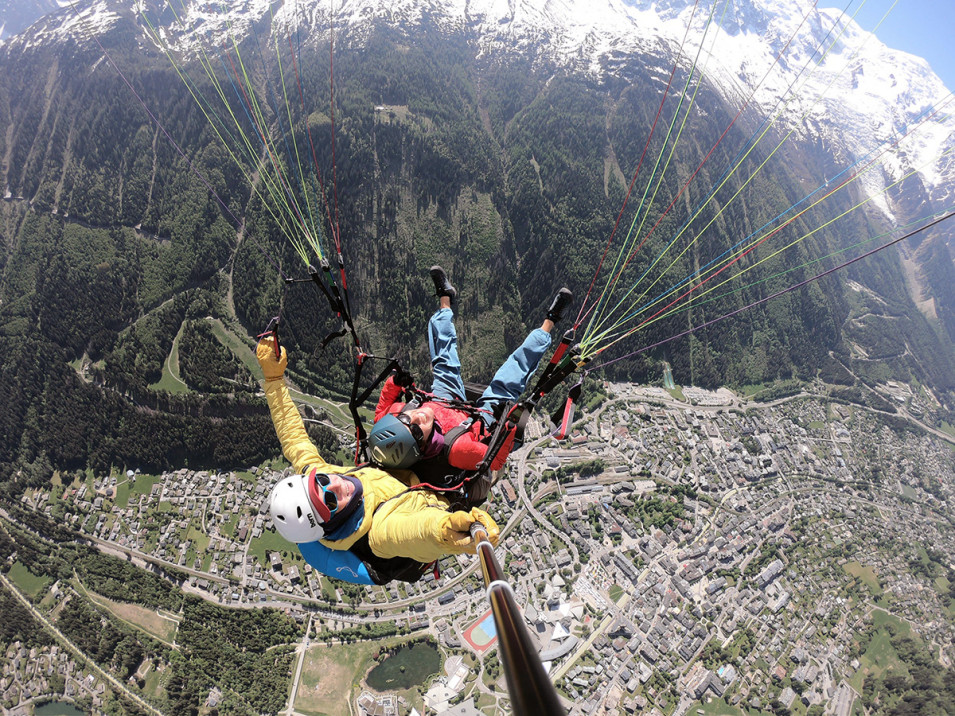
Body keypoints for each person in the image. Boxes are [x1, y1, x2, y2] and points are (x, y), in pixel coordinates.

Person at [256, 336, 500, 585]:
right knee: (478, 440)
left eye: (322, 481)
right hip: (441, 493)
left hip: (405, 475)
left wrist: (274, 380)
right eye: (330, 502)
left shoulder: (324, 481)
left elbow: (294, 440)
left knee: (408, 422)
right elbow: (416, 532)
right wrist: (450, 529)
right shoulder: (379, 534)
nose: (337, 485)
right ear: (331, 524)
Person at [368, 266, 573, 493]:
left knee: (443, 357)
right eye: (417, 431)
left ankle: (445, 297)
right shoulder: (457, 451)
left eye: (406, 419)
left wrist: (395, 383)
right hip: (474, 423)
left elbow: (382, 409)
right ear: (422, 447)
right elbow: (493, 460)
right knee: (509, 379)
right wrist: (509, 427)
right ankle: (550, 322)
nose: (417, 417)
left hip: (442, 400)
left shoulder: (391, 417)